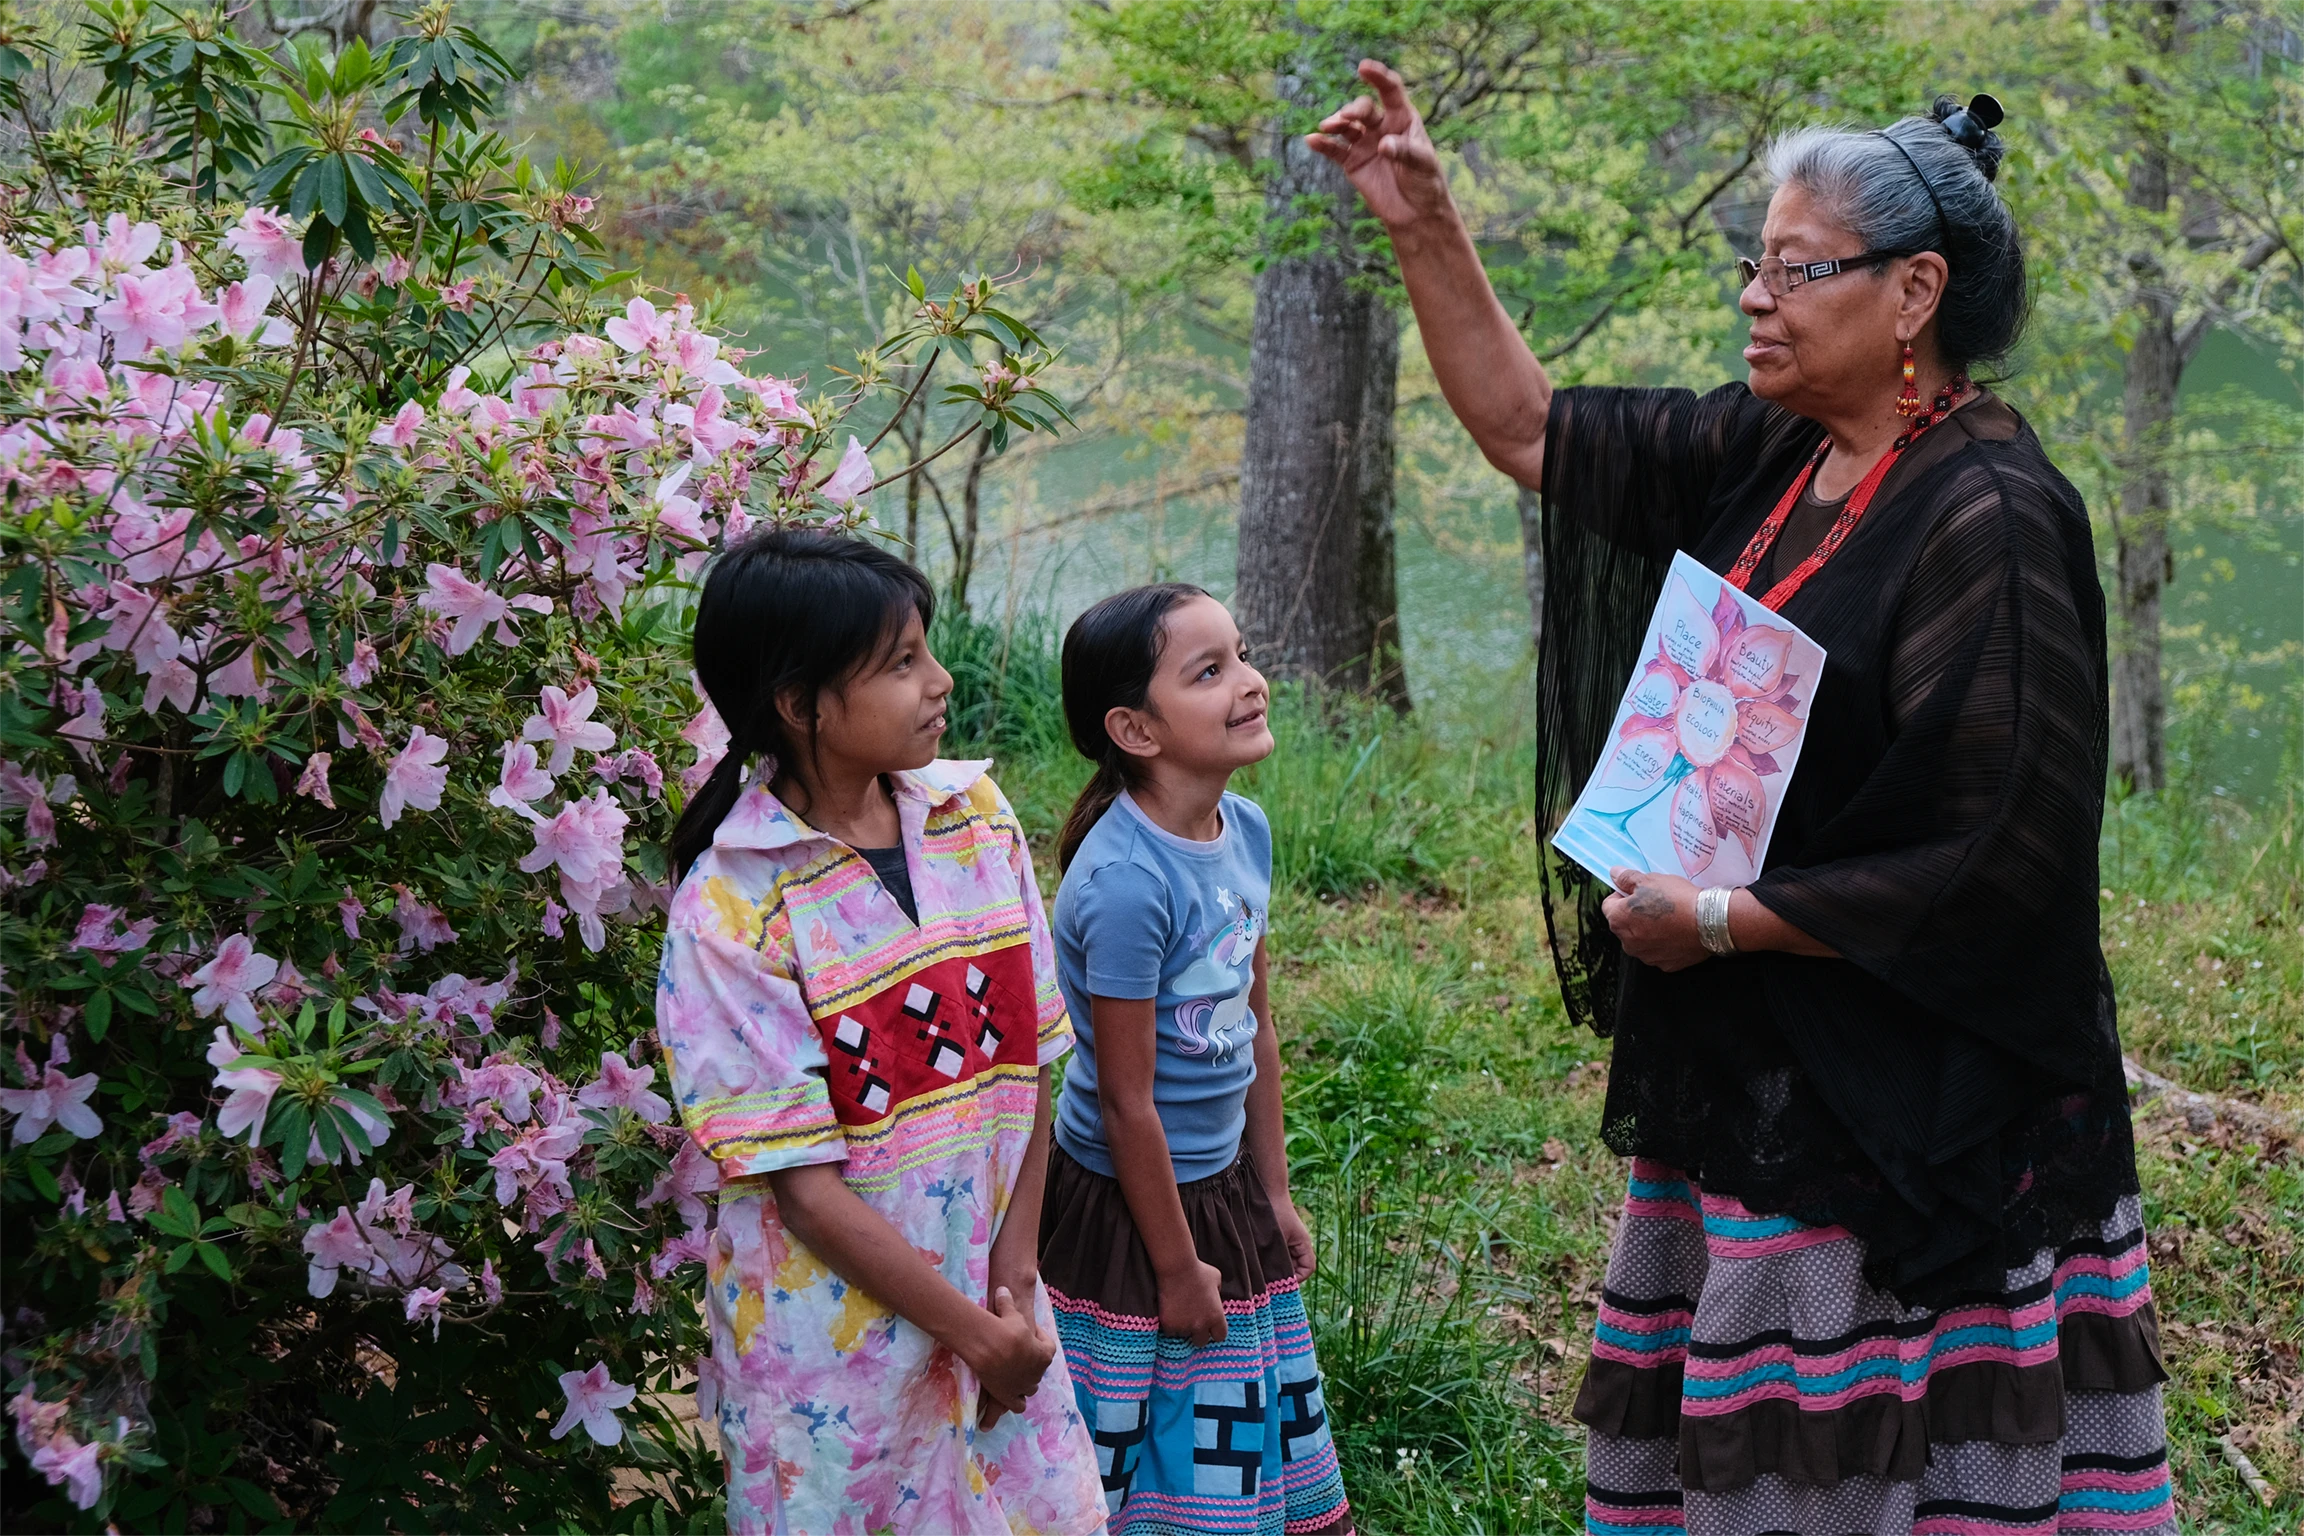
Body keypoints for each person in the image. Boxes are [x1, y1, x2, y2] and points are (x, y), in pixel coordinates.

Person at [1311, 62, 2174, 1536]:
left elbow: (1993, 861)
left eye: (1793, 269)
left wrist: (1721, 919)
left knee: (1858, 1484)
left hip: (1901, 1115)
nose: (1754, 299)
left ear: (1914, 294)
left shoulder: (1992, 517)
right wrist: (1425, 226)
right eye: (1752, 266)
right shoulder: (1783, 450)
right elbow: (1531, 433)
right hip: (1756, 1063)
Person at [656, 529, 1107, 1536]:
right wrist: (976, 1338)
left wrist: (1015, 1286)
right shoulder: (735, 906)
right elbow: (805, 1192)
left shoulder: (975, 820)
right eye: (902, 663)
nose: (939, 683)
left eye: (928, 651)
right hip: (832, 1354)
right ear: (797, 701)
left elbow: (1027, 1064)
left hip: (999, 1306)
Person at [1037, 584, 1352, 1536]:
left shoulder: (1243, 830)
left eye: (1242, 656)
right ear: (1134, 728)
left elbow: (1255, 1027)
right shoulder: (1129, 882)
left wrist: (1276, 1193)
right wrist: (1176, 1269)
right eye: (1209, 672)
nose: (1250, 683)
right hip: (1130, 1203)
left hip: (1221, 1185)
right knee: (1132, 1426)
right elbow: (1128, 1102)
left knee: (1231, 1404)